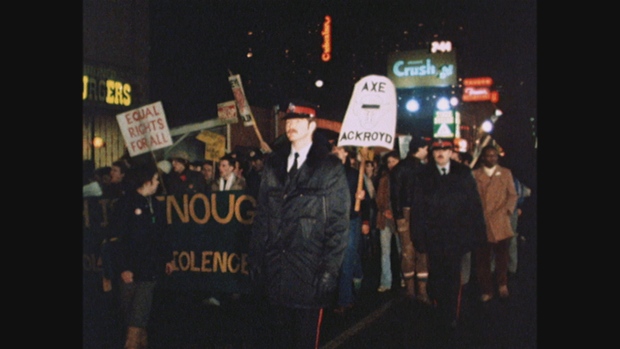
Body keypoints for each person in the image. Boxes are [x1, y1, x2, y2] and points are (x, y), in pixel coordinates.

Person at [248, 101, 350, 349]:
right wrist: (255, 258)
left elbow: (338, 224)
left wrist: (329, 269)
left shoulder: (329, 167)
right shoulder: (274, 165)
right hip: (276, 270)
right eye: (288, 122)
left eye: (298, 121)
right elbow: (262, 216)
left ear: (312, 126)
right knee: (277, 338)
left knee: (304, 340)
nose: (291, 126)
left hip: (309, 270)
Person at [410, 138, 486, 331]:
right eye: (436, 150)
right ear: (431, 152)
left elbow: (474, 205)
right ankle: (438, 307)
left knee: (453, 277)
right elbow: (417, 208)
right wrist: (418, 237)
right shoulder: (423, 175)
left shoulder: (463, 173)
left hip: (456, 237)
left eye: (444, 149)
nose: (440, 153)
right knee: (436, 276)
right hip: (433, 237)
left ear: (451, 152)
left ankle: (451, 314)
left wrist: (477, 234)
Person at [109, 164, 175, 349]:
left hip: (149, 268)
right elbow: (118, 238)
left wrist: (168, 258)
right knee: (131, 315)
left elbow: (163, 233)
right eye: (155, 180)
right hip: (130, 268)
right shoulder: (125, 204)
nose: (157, 184)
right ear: (147, 181)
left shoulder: (157, 205)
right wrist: (124, 267)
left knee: (139, 314)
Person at [472, 145, 518, 301]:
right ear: (483, 157)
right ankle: (486, 289)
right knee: (482, 259)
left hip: (500, 221)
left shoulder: (505, 173)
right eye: (488, 155)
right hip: (482, 222)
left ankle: (502, 284)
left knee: (502, 257)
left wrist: (507, 211)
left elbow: (512, 195)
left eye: (494, 155)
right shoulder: (475, 174)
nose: (492, 158)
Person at [390, 136, 431, 302]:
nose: (427, 152)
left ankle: (411, 291)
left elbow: (395, 195)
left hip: (407, 213)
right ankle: (421, 292)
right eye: (426, 148)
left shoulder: (400, 168)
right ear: (419, 149)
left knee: (408, 252)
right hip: (416, 213)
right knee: (421, 251)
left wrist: (399, 216)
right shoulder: (421, 169)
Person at [331, 144, 370, 315]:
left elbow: (367, 201)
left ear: (346, 153)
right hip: (333, 222)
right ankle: (357, 272)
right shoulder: (328, 174)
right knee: (342, 258)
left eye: (338, 149)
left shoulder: (355, 175)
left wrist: (365, 219)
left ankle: (345, 300)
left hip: (351, 220)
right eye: (334, 149)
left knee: (346, 259)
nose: (335, 151)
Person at [375, 151, 401, 293]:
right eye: (389, 162)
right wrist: (385, 210)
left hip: (399, 219)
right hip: (385, 219)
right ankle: (386, 281)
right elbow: (378, 198)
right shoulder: (384, 179)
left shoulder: (404, 177)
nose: (391, 164)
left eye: (394, 161)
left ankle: (405, 276)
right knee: (385, 252)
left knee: (402, 250)